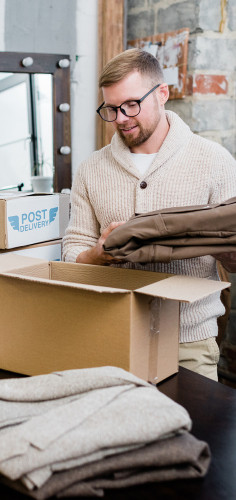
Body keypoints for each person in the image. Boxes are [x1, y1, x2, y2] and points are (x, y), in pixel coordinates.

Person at [62, 48, 236, 381]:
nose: (121, 118)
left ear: (162, 94)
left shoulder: (214, 161)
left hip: (189, 343)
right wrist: (96, 255)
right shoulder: (90, 170)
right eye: (111, 109)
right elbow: (72, 250)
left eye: (131, 105)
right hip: (108, 335)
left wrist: (206, 240)